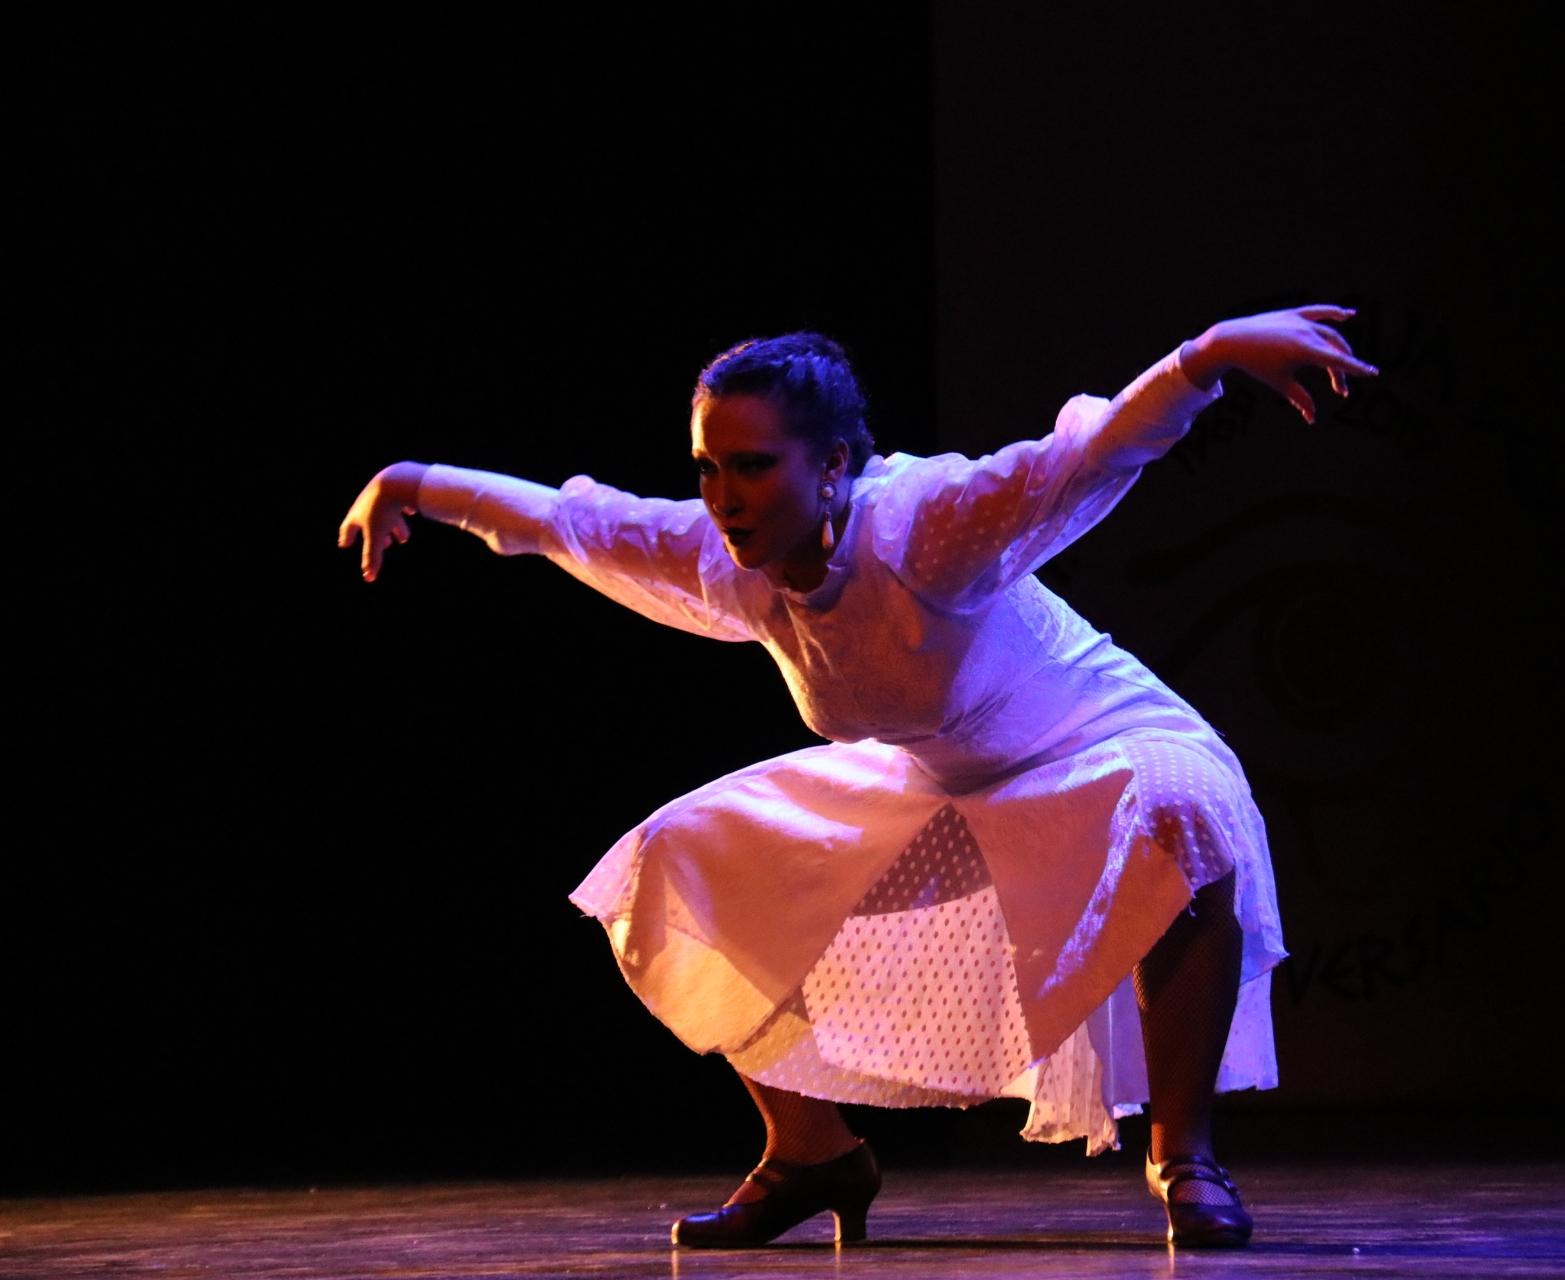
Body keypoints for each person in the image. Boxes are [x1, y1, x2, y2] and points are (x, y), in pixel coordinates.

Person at [338, 306, 1377, 1249]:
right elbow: (579, 523)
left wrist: (1207, 356)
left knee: (1182, 810)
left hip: (1100, 741)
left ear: (834, 465)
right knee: (679, 853)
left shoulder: (921, 526)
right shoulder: (726, 557)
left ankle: (1184, 1156)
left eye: (752, 467)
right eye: (707, 468)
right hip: (940, 778)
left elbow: (1082, 458)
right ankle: (812, 1153)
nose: (722, 497)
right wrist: (414, 481)